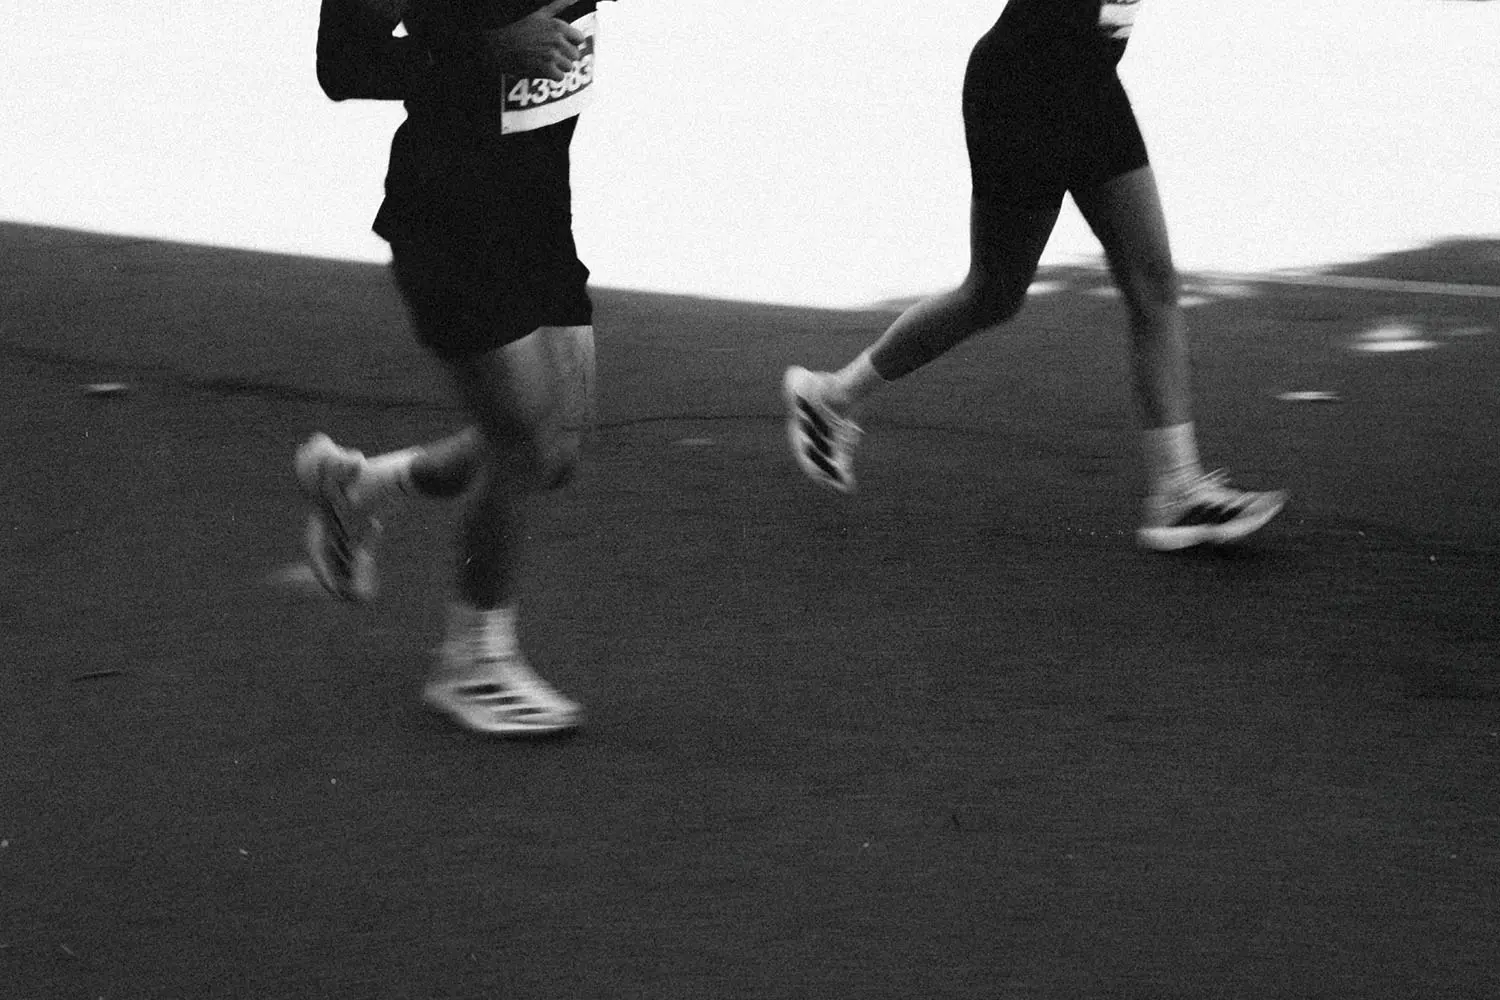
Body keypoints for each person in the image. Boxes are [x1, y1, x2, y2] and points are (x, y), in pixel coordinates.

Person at [782, 0, 1286, 551]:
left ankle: (1177, 490)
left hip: (1090, 88)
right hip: (1023, 88)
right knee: (993, 293)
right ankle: (833, 396)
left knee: (1154, 285)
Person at [297, 0, 611, 736]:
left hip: (540, 210)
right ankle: (473, 662)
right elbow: (342, 68)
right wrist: (491, 48)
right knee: (521, 443)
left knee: (551, 451)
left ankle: (358, 486)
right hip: (451, 217)